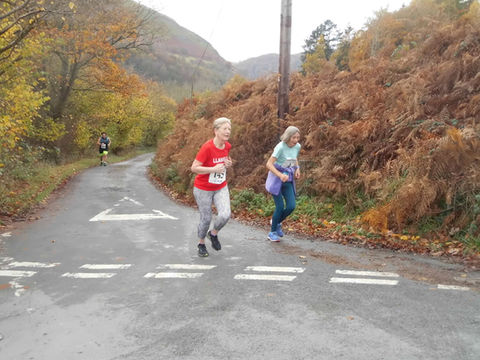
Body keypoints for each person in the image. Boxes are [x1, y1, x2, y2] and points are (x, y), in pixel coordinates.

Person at [191, 117, 233, 257]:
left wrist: (228, 164)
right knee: (206, 218)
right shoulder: (207, 147)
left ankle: (213, 234)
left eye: (229, 129)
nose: (228, 132)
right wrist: (213, 169)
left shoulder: (227, 146)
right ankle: (201, 243)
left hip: (220, 186)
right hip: (203, 188)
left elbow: (226, 160)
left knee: (225, 214)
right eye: (224, 129)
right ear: (216, 131)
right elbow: (194, 168)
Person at [265, 126, 301, 242]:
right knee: (280, 207)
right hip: (276, 179)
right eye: (293, 137)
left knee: (291, 206)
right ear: (288, 137)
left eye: (297, 137)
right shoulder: (280, 147)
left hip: (288, 178)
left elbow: (294, 158)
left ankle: (277, 222)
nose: (295, 140)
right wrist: (280, 175)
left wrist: (297, 169)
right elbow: (269, 164)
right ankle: (272, 232)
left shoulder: (297, 146)